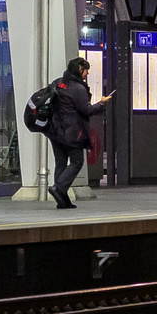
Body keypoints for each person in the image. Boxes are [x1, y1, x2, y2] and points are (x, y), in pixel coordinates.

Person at [46, 57, 112, 209]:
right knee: (77, 162)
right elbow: (87, 110)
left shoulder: (58, 83)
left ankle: (62, 201)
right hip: (72, 131)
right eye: (86, 70)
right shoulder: (77, 88)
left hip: (55, 130)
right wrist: (102, 103)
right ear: (80, 69)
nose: (87, 73)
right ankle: (59, 188)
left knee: (61, 163)